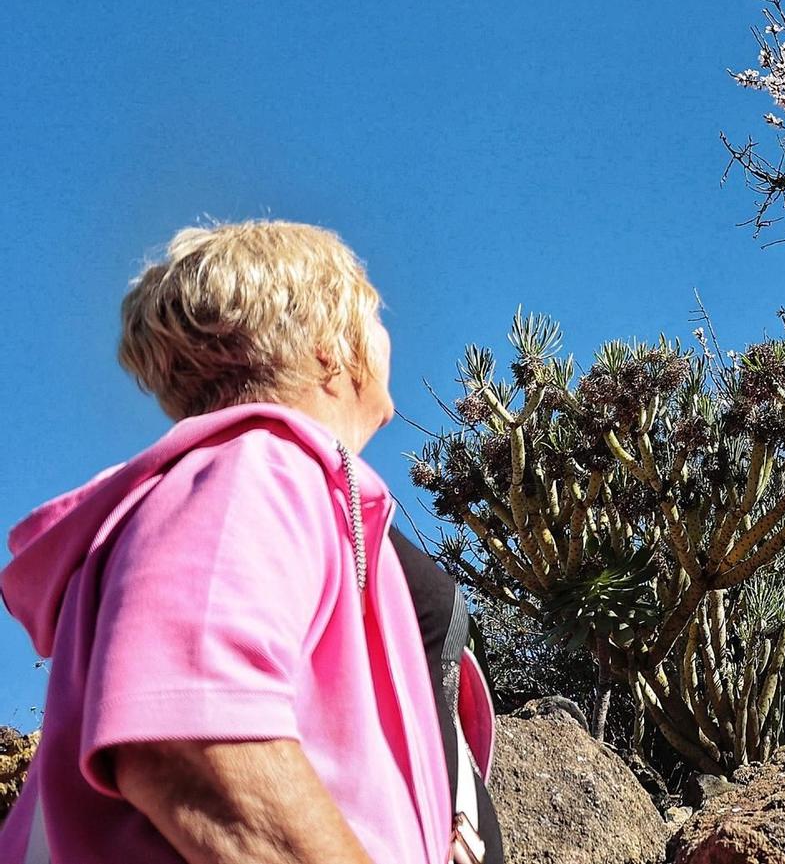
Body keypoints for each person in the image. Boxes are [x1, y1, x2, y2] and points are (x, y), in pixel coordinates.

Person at [0, 220, 501, 862]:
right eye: (374, 316)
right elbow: (190, 741)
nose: (388, 338)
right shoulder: (253, 470)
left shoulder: (261, 486)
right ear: (330, 348)